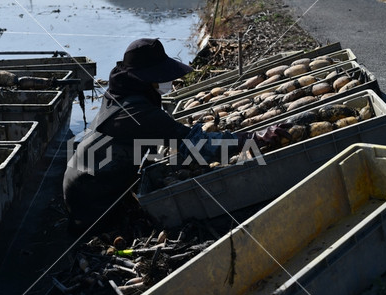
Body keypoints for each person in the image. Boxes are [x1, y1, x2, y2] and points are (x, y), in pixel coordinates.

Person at [63, 38, 290, 235]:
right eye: (161, 76)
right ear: (147, 79)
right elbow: (198, 148)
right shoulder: (138, 113)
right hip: (91, 198)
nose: (168, 82)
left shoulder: (120, 91)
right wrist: (251, 138)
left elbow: (156, 135)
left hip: (82, 176)